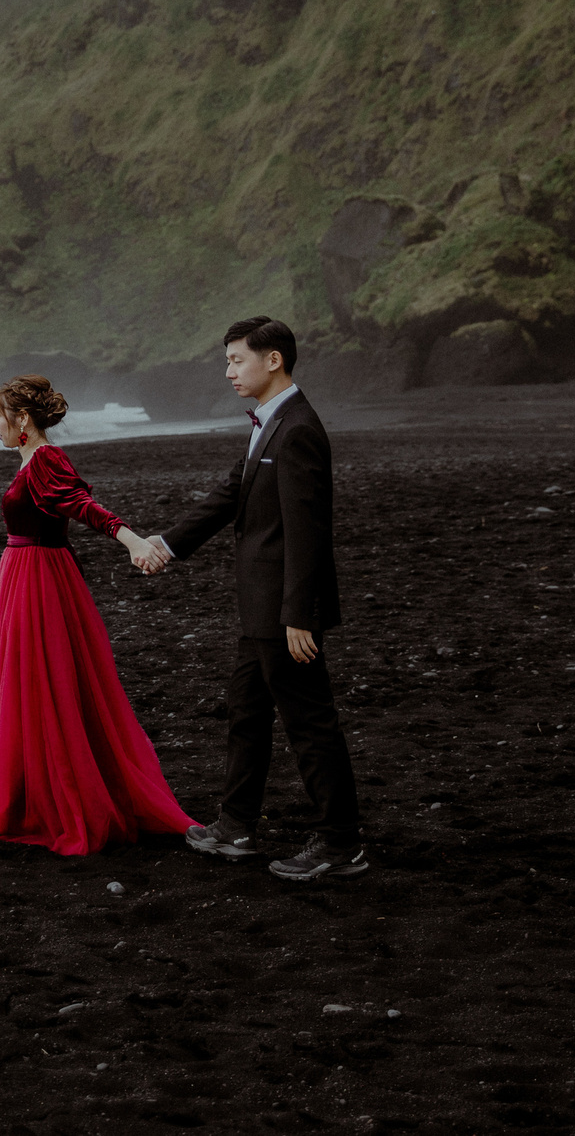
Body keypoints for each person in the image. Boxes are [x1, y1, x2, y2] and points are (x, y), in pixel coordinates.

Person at [138, 317, 365, 880]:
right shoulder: (272, 422)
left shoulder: (299, 429)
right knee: (246, 715)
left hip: (282, 614)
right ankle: (236, 826)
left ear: (274, 361)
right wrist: (166, 544)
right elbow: (232, 493)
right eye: (228, 360)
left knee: (310, 725)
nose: (229, 370)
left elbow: (307, 532)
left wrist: (298, 616)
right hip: (258, 611)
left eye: (237, 359)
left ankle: (341, 845)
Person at [0, 374, 196, 856]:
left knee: (46, 682)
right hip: (25, 575)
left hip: (39, 578)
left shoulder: (46, 459)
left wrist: (132, 540)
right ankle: (36, 793)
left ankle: (65, 798)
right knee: (34, 683)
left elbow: (81, 505)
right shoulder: (31, 460)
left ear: (23, 420)